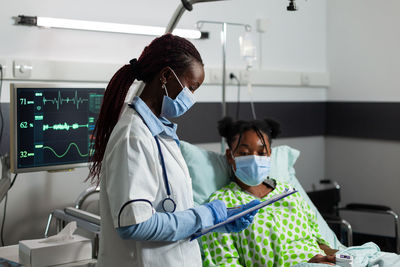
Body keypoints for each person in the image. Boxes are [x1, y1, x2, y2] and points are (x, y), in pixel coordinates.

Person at [87, 34, 260, 267]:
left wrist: (221, 219)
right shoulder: (134, 136)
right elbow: (134, 224)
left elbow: (172, 211)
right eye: (191, 87)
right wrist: (205, 215)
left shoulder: (160, 134)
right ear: (166, 76)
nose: (191, 98)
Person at [201, 117, 338, 267]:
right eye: (244, 153)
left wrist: (340, 257)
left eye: (261, 153)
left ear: (270, 154)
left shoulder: (289, 192)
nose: (254, 159)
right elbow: (224, 263)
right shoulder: (221, 205)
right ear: (230, 156)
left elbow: (318, 242)